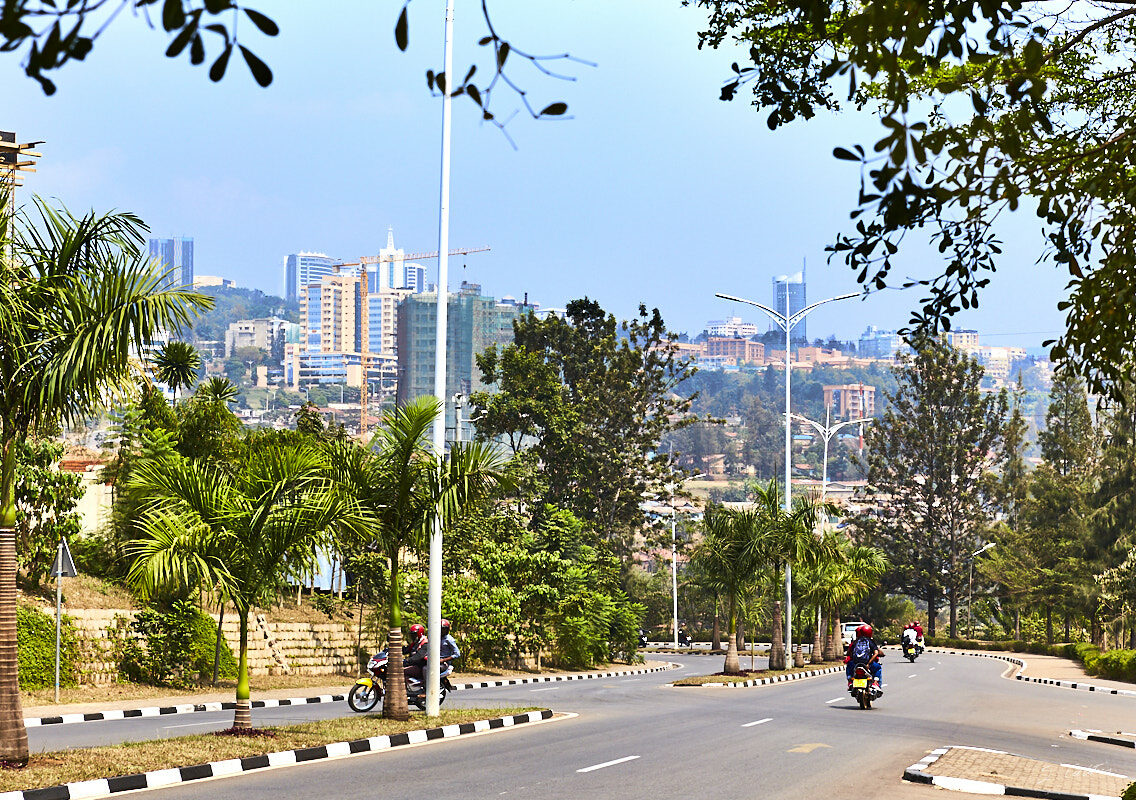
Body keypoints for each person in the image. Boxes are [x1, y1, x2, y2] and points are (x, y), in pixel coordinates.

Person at [845, 624, 884, 695]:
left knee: (849, 666)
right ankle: (875, 683)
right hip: (867, 664)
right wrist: (868, 663)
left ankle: (850, 681)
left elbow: (849, 652)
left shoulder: (855, 642)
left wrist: (853, 659)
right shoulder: (870, 641)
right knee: (878, 668)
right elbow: (876, 653)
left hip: (855, 663)